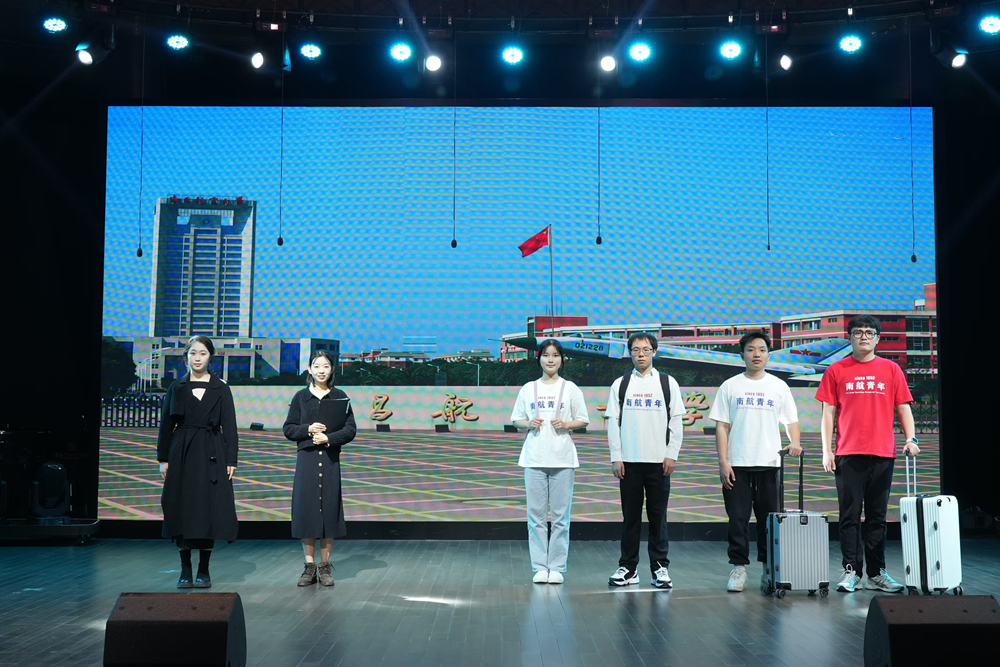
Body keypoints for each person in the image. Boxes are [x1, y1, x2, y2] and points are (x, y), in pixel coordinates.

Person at [816, 315, 918, 593]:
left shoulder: (891, 369)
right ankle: (851, 571)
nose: (864, 336)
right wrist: (827, 451)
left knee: (877, 517)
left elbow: (904, 407)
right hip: (848, 453)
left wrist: (911, 439)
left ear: (877, 338)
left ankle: (876, 574)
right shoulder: (836, 370)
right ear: (849, 337)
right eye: (858, 332)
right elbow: (828, 414)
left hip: (883, 453)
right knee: (849, 516)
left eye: (869, 332)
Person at [709, 331, 802, 593]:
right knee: (737, 519)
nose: (756, 354)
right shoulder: (730, 386)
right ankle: (738, 569)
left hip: (770, 464)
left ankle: (767, 569)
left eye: (762, 349)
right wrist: (723, 462)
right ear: (742, 355)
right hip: (737, 465)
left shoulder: (778, 386)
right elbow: (722, 426)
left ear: (769, 355)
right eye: (751, 350)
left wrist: (794, 442)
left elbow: (791, 421)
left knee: (768, 521)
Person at [156, 335, 239, 589]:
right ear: (186, 357)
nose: (198, 358)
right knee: (181, 507)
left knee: (209, 509)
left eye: (203, 353)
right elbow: (166, 426)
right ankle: (185, 569)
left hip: (212, 452)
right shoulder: (176, 387)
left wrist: (231, 459)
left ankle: (204, 570)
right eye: (193, 353)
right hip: (181, 452)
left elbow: (230, 426)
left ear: (210, 356)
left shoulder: (221, 388)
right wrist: (163, 458)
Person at [606, 333, 685, 588]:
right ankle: (628, 568)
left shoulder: (667, 382)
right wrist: (616, 457)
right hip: (628, 463)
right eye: (636, 350)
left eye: (646, 349)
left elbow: (676, 422)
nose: (641, 354)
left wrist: (671, 454)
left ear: (654, 352)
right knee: (630, 518)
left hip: (659, 462)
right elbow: (613, 424)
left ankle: (660, 568)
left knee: (658, 518)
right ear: (629, 353)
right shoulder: (620, 384)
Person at [511, 339, 590, 584]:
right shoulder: (528, 389)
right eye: (546, 355)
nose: (551, 359)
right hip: (534, 458)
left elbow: (583, 419)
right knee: (535, 517)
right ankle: (539, 567)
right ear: (539, 359)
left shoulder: (570, 388)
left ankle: (556, 567)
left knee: (560, 517)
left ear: (562, 360)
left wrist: (566, 424)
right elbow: (516, 419)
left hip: (562, 459)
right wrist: (528, 423)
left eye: (555, 355)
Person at [283, 350, 357, 587]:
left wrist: (329, 439)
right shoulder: (300, 397)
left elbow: (350, 430)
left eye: (325, 366)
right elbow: (288, 429)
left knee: (329, 509)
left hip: (330, 459)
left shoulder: (340, 396)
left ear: (332, 369)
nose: (321, 370)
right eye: (317, 366)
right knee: (306, 509)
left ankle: (324, 566)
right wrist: (307, 429)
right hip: (306, 459)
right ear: (309, 369)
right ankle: (309, 567)